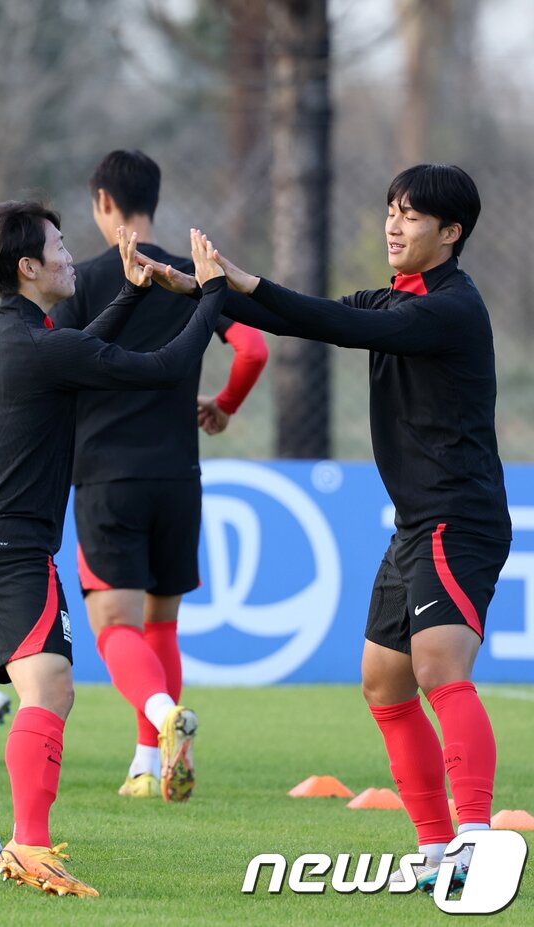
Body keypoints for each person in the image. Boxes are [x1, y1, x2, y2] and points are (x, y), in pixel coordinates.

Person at [0, 205, 226, 890]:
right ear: (28, 266)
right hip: (11, 549)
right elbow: (165, 367)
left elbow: (79, 351)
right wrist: (213, 295)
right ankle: (29, 844)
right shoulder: (44, 345)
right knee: (49, 688)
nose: (69, 256)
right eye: (59, 246)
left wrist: (132, 294)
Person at [193, 164, 506, 893]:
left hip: (457, 518)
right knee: (384, 683)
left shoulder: (450, 308)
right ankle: (436, 847)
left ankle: (478, 837)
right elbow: (303, 315)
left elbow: (341, 326)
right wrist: (197, 286)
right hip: (416, 522)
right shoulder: (396, 298)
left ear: (450, 232)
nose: (393, 224)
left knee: (438, 669)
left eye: (411, 215)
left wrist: (237, 283)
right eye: (391, 209)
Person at [54, 150, 268, 801]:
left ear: (102, 201)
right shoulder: (192, 277)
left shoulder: (85, 280)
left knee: (114, 625)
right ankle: (148, 762)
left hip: (107, 475)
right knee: (161, 624)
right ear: (153, 198)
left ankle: (164, 719)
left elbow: (53, 365)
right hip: (178, 474)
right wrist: (223, 405)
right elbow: (254, 348)